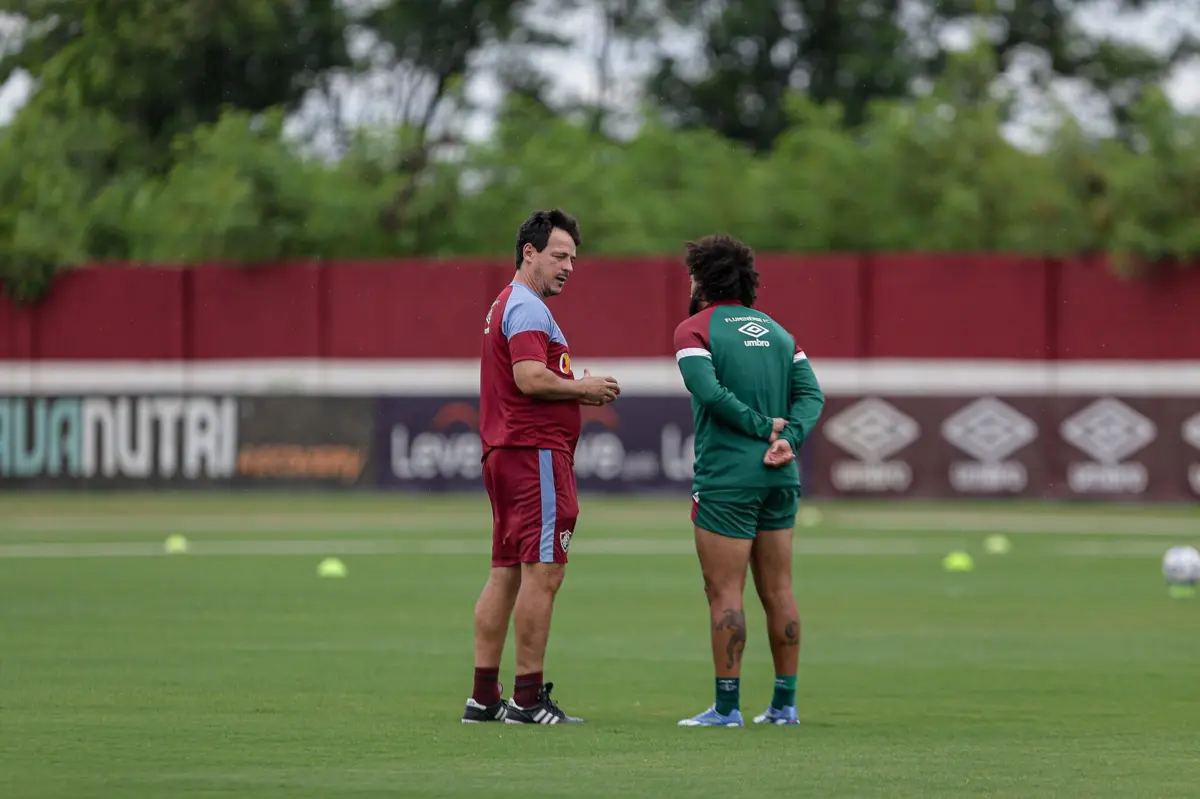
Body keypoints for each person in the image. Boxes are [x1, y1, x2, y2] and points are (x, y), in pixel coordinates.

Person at [461, 208, 621, 725]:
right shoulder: (527, 306)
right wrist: (585, 390)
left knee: (505, 572)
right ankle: (527, 701)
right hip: (534, 454)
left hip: (507, 452)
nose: (569, 266)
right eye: (559, 255)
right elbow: (530, 378)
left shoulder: (506, 303)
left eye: (573, 257)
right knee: (544, 571)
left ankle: (484, 697)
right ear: (528, 252)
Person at [671, 234, 825, 728]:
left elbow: (708, 392)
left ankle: (727, 708)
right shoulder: (781, 334)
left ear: (700, 278)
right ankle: (784, 705)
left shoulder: (694, 330)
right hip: (781, 475)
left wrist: (762, 428)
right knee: (779, 590)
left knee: (725, 593)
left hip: (727, 480)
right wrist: (788, 438)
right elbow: (812, 396)